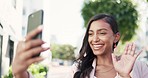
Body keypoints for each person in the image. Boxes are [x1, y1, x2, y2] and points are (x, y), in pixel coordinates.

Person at [12, 14, 148, 78]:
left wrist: (125, 75)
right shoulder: (79, 68)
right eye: (90, 33)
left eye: (102, 33)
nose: (95, 39)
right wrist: (20, 73)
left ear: (116, 37)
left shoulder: (139, 67)